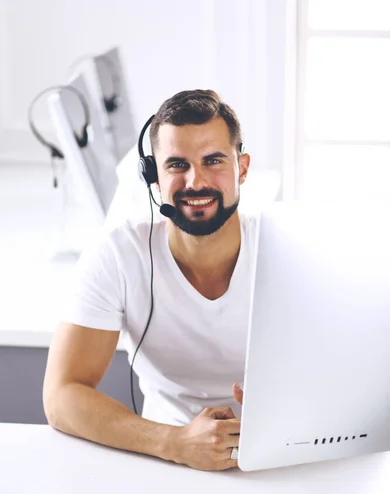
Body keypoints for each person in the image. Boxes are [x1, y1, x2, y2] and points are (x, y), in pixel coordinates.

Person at [43, 89, 255, 472]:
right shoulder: (120, 253)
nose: (195, 181)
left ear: (242, 168)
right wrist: (174, 443)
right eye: (177, 164)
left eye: (213, 161)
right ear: (153, 177)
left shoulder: (289, 250)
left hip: (278, 462)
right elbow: (61, 396)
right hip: (163, 461)